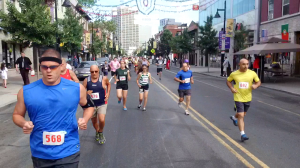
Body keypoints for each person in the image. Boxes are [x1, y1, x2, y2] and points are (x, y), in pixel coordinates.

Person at [12, 49, 94, 167]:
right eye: (45, 67)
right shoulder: (26, 91)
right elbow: (16, 115)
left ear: (61, 67)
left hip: (68, 151)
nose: (48, 71)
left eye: (53, 67)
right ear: (40, 67)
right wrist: (24, 123)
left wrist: (85, 119)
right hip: (40, 153)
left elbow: (89, 106)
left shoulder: (76, 88)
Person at [226, 58, 261, 142]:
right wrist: (231, 88)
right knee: (241, 115)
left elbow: (258, 82)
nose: (246, 66)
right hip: (238, 97)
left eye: (247, 64)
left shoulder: (252, 73)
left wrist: (255, 86)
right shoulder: (234, 74)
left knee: (243, 114)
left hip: (248, 97)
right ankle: (242, 134)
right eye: (243, 64)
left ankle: (234, 117)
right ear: (239, 65)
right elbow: (228, 81)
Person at [83, 65, 111, 144]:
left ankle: (100, 132)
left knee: (101, 119)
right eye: (92, 72)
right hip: (91, 105)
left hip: (102, 103)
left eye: (96, 71)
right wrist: (86, 93)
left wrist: (108, 93)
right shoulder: (86, 80)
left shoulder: (103, 79)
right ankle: (97, 131)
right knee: (94, 121)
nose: (94, 73)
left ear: (98, 71)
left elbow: (109, 84)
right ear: (90, 72)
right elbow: (81, 91)